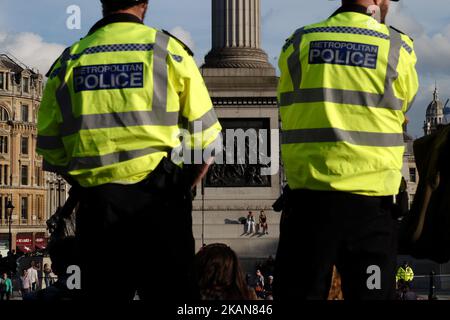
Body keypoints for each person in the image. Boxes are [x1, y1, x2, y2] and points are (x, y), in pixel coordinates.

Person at [36, 0, 222, 301]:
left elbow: (51, 150)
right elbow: (209, 140)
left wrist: (88, 182)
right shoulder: (168, 52)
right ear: (144, 5)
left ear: (103, 3)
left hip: (98, 214)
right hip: (162, 208)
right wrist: (181, 186)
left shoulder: (69, 62)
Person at [275, 0, 418, 300]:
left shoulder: (298, 42)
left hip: (309, 207)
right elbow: (403, 105)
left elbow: (287, 102)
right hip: (371, 210)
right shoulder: (396, 47)